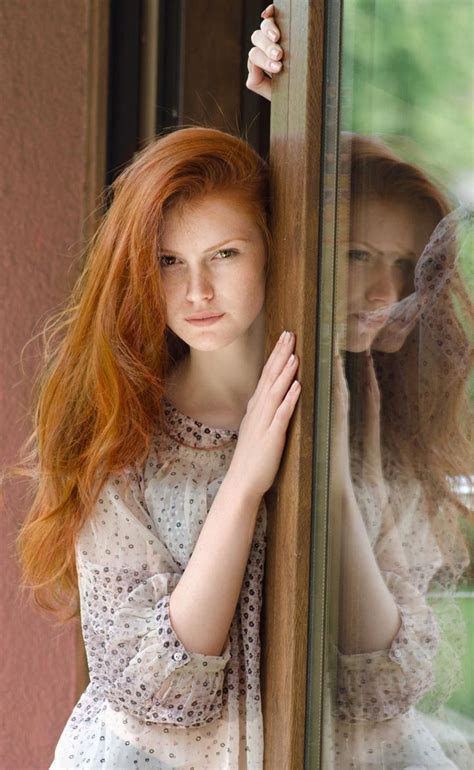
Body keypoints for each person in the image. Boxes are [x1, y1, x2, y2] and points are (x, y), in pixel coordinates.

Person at [16, 126, 302, 769]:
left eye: (224, 254)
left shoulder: (332, 392)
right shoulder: (123, 433)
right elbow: (159, 690)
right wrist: (243, 483)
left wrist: (283, 79)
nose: (196, 291)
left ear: (274, 247)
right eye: (170, 261)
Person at [248, 6, 473, 770]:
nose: (386, 290)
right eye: (356, 254)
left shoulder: (389, 407)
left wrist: (339, 483)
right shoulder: (242, 381)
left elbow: (385, 680)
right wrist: (274, 100)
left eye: (408, 268)